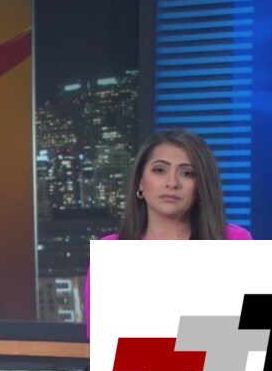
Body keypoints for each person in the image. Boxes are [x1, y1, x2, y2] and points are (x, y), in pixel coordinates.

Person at [83, 129, 253, 338]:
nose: (172, 183)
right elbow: (105, 342)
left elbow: (246, 336)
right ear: (140, 182)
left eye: (187, 173)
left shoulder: (233, 241)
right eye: (159, 170)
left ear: (200, 186)